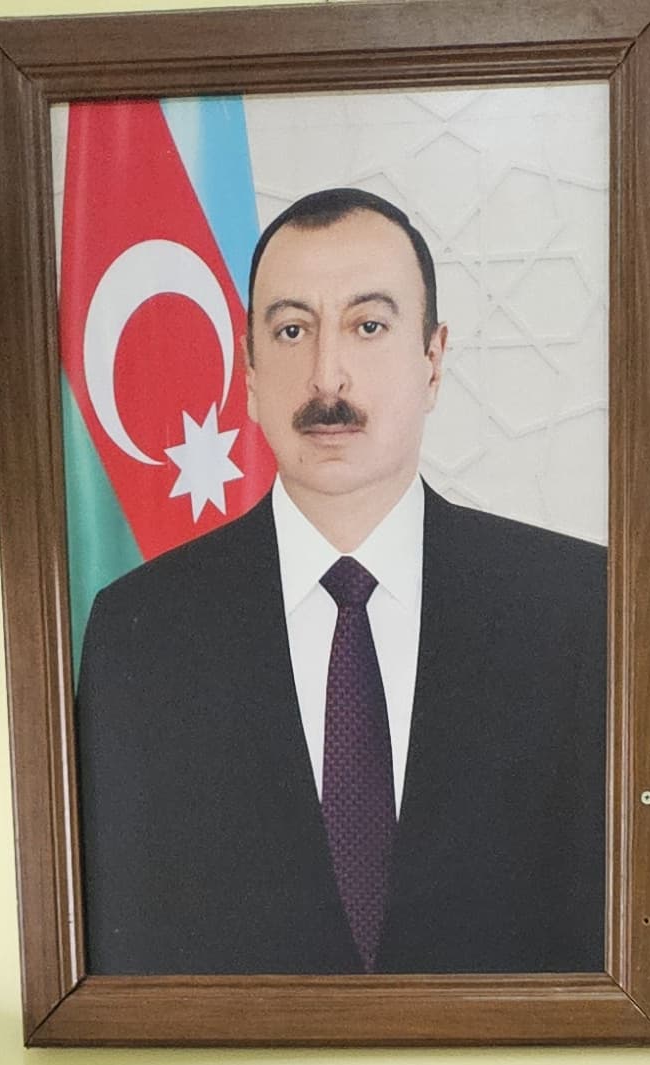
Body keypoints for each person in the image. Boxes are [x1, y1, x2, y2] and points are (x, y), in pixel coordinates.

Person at [77, 186, 607, 978]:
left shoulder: (580, 610)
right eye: (292, 331)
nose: (327, 377)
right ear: (249, 372)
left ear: (433, 360)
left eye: (368, 326)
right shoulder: (140, 632)